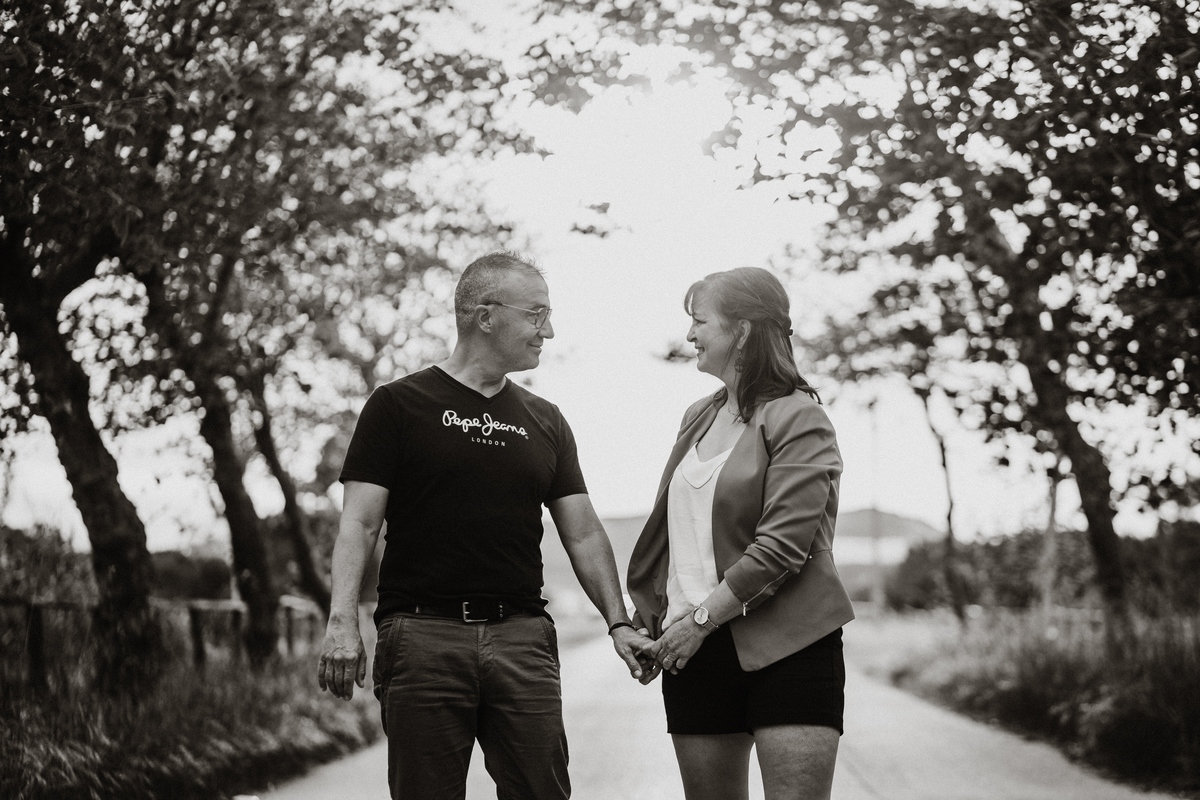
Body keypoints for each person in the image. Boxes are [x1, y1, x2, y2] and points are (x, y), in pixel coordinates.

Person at [317, 251, 652, 800]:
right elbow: (358, 523)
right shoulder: (398, 406)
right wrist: (342, 622)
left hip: (522, 637)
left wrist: (618, 622)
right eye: (536, 314)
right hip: (422, 638)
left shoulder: (546, 420)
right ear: (484, 315)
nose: (549, 330)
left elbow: (584, 532)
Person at [627, 267, 855, 800]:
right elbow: (676, 531)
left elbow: (782, 547)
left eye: (699, 321)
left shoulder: (800, 417)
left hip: (791, 649)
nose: (689, 336)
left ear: (744, 331)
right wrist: (654, 621)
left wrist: (701, 621)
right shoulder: (697, 416)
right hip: (696, 652)